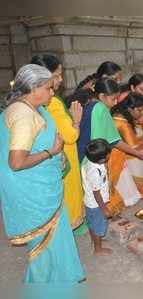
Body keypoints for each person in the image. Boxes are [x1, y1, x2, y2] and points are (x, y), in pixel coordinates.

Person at [0, 64, 85, 282]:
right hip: (34, 193)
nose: (53, 91)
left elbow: (42, 138)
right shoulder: (23, 115)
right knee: (44, 251)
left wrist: (58, 155)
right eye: (49, 87)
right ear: (34, 88)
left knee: (55, 245)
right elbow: (16, 162)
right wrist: (52, 152)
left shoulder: (35, 108)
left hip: (44, 187)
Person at [77, 78, 143, 214]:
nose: (116, 102)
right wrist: (137, 154)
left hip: (83, 156)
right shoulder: (101, 109)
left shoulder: (90, 105)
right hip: (95, 159)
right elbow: (113, 140)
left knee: (90, 190)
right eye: (113, 99)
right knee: (98, 190)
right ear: (101, 96)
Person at [31, 54, 85, 231]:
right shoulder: (51, 103)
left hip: (50, 158)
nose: (61, 80)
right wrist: (76, 120)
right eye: (56, 76)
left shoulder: (35, 102)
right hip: (63, 156)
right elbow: (70, 136)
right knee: (67, 201)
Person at [81, 138, 113, 256]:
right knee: (98, 226)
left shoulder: (90, 161)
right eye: (109, 154)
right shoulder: (94, 172)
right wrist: (104, 208)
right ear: (102, 159)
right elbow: (96, 193)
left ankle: (95, 241)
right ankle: (98, 249)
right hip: (96, 205)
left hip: (90, 202)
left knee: (92, 223)